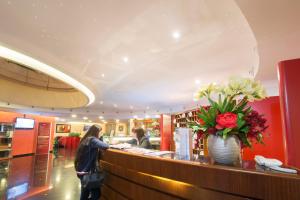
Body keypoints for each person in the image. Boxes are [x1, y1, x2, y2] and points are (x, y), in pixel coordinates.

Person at [74, 125, 109, 200]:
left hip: (81, 170)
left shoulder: (85, 139)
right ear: (96, 132)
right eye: (100, 132)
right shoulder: (92, 139)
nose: (100, 133)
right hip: (87, 171)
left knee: (84, 192)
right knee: (96, 194)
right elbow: (105, 146)